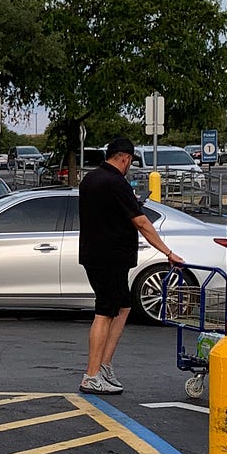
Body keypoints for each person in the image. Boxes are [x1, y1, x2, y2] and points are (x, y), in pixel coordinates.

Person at [77, 135, 185, 395]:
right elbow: (142, 223)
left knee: (123, 306)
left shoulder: (90, 179)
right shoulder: (116, 183)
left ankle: (104, 365)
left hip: (96, 254)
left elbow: (108, 214)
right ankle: (91, 375)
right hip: (109, 258)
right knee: (104, 312)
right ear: (124, 157)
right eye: (130, 161)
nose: (129, 166)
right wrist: (168, 252)